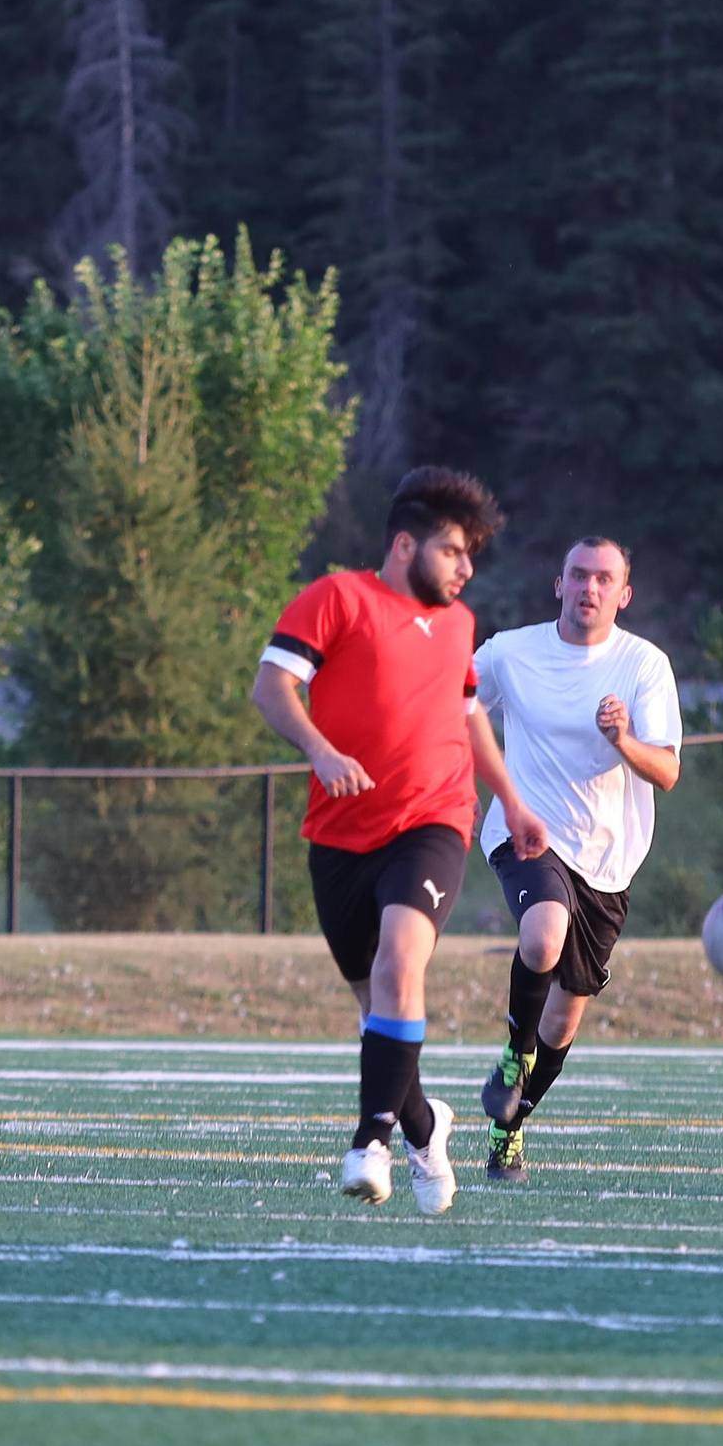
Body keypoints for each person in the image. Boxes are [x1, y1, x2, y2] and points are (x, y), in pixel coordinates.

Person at [251, 467, 548, 1215]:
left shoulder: (458, 624)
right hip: (340, 832)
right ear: (406, 545)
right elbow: (271, 687)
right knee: (376, 1002)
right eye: (453, 550)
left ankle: (371, 1141)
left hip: (432, 821)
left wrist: (511, 800)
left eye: (471, 554)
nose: (466, 567)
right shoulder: (337, 598)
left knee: (400, 963)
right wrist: (321, 750)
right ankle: (425, 1124)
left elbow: (467, 715)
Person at [473, 537, 681, 1179]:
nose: (590, 587)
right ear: (559, 585)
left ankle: (509, 1128)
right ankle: (514, 1055)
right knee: (543, 934)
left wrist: (623, 739)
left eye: (604, 579)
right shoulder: (509, 653)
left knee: (563, 1020)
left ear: (624, 594)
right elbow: (452, 704)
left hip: (608, 860)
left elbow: (667, 771)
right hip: (527, 831)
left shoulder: (644, 665)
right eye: (579, 575)